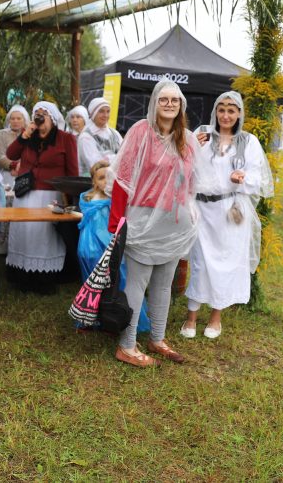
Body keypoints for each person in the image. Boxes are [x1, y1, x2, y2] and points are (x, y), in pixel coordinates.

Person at [108, 79, 206, 367]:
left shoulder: (186, 139)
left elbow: (192, 181)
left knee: (164, 283)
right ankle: (126, 345)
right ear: (154, 102)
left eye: (175, 100)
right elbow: (122, 178)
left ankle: (157, 338)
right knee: (138, 283)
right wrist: (116, 222)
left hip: (174, 221)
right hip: (142, 218)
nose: (169, 104)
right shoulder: (140, 132)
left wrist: (191, 210)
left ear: (181, 105)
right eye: (163, 99)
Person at [181, 91, 273, 339]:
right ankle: (191, 316)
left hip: (231, 210)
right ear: (215, 111)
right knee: (200, 262)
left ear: (239, 113)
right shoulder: (201, 134)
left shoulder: (248, 141)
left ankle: (216, 316)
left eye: (231, 110)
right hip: (202, 209)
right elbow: (183, 167)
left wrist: (241, 178)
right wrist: (191, 148)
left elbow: (259, 180)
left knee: (224, 262)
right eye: (221, 110)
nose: (225, 115)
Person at [5, 101, 78, 293]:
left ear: (52, 118)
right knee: (24, 235)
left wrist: (70, 200)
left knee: (44, 238)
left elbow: (72, 171)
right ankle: (22, 277)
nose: (39, 117)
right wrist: (25, 135)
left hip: (50, 196)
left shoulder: (66, 139)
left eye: (43, 113)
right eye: (36, 113)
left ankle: (44, 280)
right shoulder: (28, 136)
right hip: (25, 193)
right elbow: (11, 154)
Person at [77, 160, 150, 332]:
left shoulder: (115, 200)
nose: (104, 182)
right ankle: (91, 318)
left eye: (108, 178)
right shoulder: (87, 198)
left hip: (110, 247)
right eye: (101, 178)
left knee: (119, 280)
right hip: (91, 247)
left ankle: (123, 316)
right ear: (94, 181)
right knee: (92, 284)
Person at [0, 105, 30, 258]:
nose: (15, 121)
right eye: (12, 118)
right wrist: (12, 165)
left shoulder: (30, 135)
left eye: (19, 118)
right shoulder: (2, 134)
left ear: (25, 120)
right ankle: (0, 246)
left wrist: (22, 167)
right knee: (5, 208)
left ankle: (19, 246)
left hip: (26, 176)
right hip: (6, 176)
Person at [77, 97, 123, 175]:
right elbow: (95, 165)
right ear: (93, 113)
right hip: (93, 183)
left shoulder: (114, 133)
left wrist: (108, 158)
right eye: (101, 111)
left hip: (115, 179)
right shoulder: (85, 137)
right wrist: (117, 159)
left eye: (108, 111)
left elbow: (126, 155)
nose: (105, 115)